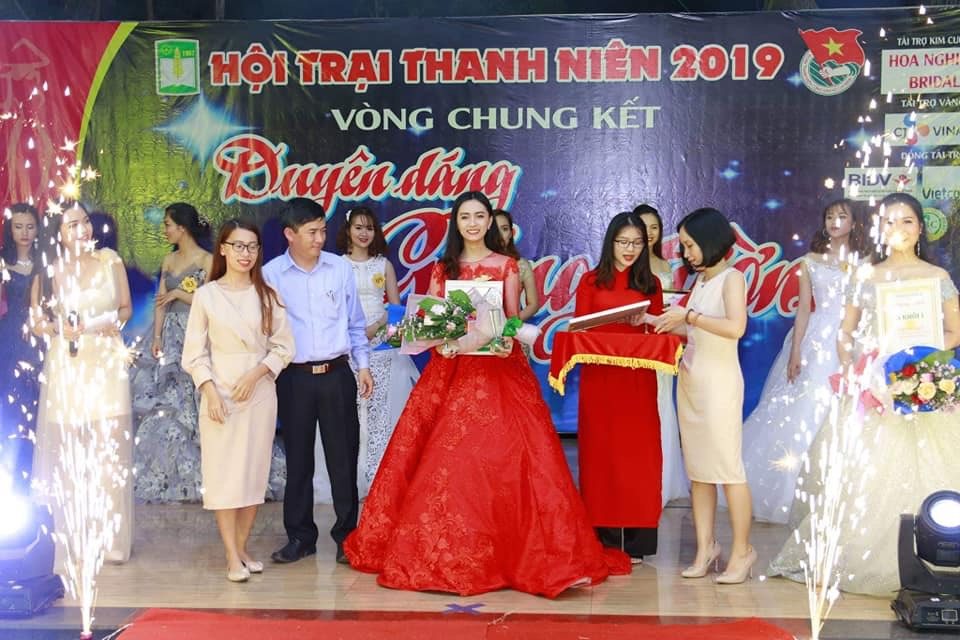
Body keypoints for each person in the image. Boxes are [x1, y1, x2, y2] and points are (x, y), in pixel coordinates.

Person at [344, 191, 630, 597]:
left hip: (499, 373)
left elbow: (510, 320)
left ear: (490, 221)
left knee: (506, 457)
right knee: (450, 462)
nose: (473, 224)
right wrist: (441, 342)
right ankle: (450, 554)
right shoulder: (443, 268)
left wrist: (503, 336)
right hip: (451, 373)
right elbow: (433, 320)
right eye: (465, 217)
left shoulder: (506, 266)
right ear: (456, 223)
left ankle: (516, 553)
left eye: (480, 216)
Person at [769, 192, 960, 595]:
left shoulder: (937, 277)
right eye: (889, 221)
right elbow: (845, 333)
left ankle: (938, 553)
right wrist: (861, 367)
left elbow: (953, 331)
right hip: (875, 390)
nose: (898, 229)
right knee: (867, 479)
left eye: (907, 221)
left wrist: (920, 363)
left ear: (920, 228)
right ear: (878, 228)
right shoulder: (866, 276)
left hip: (925, 387)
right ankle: (868, 556)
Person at [181, 218, 294, 582]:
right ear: (224, 249)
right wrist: (210, 391)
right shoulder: (206, 295)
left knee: (253, 475)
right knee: (224, 476)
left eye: (252, 247)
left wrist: (257, 373)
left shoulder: (269, 295)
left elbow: (284, 347)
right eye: (238, 246)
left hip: (259, 393)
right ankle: (231, 555)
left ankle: (242, 547)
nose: (245, 254)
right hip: (219, 395)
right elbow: (193, 354)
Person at [740, 199, 865, 524]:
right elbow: (804, 310)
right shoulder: (810, 261)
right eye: (829, 216)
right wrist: (796, 350)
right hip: (817, 340)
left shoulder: (866, 262)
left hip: (854, 336)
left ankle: (841, 491)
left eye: (842, 216)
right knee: (805, 407)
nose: (834, 222)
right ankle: (789, 493)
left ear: (854, 223)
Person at [263, 198, 373, 565]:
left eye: (323, 230)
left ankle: (346, 537)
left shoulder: (339, 268)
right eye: (311, 232)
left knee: (343, 458)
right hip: (293, 378)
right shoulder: (272, 275)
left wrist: (363, 366)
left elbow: (355, 322)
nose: (320, 238)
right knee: (298, 460)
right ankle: (300, 537)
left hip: (337, 374)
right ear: (289, 235)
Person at [652, 208, 754, 584]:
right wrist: (655, 323)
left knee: (728, 470)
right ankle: (705, 547)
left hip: (719, 386)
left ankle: (742, 551)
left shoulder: (732, 278)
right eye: (683, 246)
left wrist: (689, 316)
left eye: (690, 245)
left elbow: (735, 327)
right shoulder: (700, 282)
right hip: (691, 382)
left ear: (710, 241)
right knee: (699, 473)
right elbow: (694, 332)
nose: (686, 253)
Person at [30, 202, 135, 565]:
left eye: (86, 222)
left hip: (106, 359)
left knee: (109, 448)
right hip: (68, 363)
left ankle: (112, 539)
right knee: (69, 448)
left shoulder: (110, 260)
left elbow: (125, 308)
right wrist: (60, 328)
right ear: (57, 233)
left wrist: (108, 323)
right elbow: (37, 322)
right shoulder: (48, 270)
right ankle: (73, 537)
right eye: (72, 225)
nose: (83, 230)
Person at [574, 210, 664, 562]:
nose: (630, 249)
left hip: (637, 379)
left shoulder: (650, 284)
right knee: (601, 454)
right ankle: (605, 538)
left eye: (637, 243)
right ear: (609, 242)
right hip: (599, 378)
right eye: (623, 242)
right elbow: (579, 328)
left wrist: (647, 321)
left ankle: (639, 540)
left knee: (639, 456)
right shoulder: (591, 281)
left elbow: (659, 331)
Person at [325, 206, 419, 497]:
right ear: (348, 230)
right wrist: (352, 334)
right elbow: (330, 307)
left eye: (369, 228)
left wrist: (379, 328)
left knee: (380, 413)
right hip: (346, 348)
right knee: (348, 412)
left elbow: (396, 309)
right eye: (358, 227)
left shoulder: (383, 265)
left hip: (380, 347)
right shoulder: (337, 265)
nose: (364, 233)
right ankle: (350, 480)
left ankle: (378, 477)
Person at [132, 203, 213, 503]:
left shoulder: (207, 260)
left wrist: (180, 293)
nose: (164, 230)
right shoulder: (168, 259)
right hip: (171, 337)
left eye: (167, 224)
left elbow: (213, 301)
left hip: (197, 334)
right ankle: (177, 476)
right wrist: (156, 336)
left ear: (182, 227)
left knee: (197, 400)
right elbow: (160, 302)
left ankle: (208, 477)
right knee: (172, 405)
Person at [634, 203, 689, 506]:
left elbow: (673, 307)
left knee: (661, 404)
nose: (649, 233)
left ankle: (663, 482)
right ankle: (641, 479)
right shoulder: (627, 264)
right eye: (643, 227)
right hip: (634, 348)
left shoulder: (665, 266)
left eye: (655, 227)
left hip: (661, 344)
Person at [0, 203, 40, 493]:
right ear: (9, 229)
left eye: (30, 226)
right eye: (18, 226)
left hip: (38, 338)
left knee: (35, 399)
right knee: (8, 399)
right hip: (7, 336)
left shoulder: (46, 262)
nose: (25, 232)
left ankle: (32, 468)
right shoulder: (2, 261)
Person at [494, 209, 540, 321]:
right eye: (494, 230)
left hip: (510, 328)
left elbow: (533, 305)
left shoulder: (521, 264)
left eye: (505, 229)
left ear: (511, 233)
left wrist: (511, 324)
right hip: (476, 328)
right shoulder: (473, 263)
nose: (500, 235)